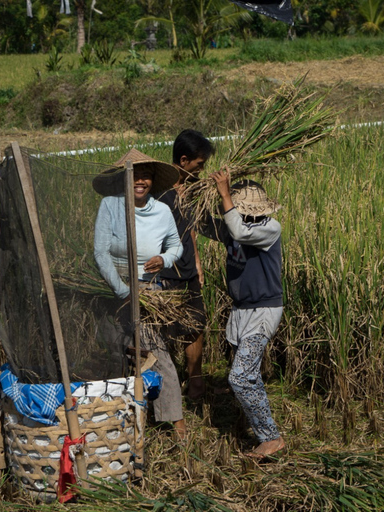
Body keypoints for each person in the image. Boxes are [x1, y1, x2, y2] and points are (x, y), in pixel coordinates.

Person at [93, 147, 187, 438]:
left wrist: (165, 259)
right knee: (118, 353)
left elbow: (176, 245)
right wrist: (122, 291)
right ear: (124, 179)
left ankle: (176, 423)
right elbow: (100, 252)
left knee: (156, 354)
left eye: (146, 176)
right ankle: (119, 421)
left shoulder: (161, 211)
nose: (141, 181)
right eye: (135, 175)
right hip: (115, 289)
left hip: (149, 290)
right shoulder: (111, 205)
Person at [204, 169, 285, 458]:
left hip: (264, 310)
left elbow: (239, 231)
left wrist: (224, 193)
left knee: (239, 376)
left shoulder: (270, 228)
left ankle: (270, 438)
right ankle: (254, 419)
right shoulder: (232, 226)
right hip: (240, 311)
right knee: (248, 375)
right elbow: (204, 225)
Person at [156, 129, 215, 401]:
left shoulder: (191, 190)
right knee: (163, 329)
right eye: (199, 165)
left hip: (188, 269)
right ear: (183, 160)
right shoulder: (158, 192)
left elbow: (190, 227)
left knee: (195, 325)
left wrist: (198, 262)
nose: (201, 171)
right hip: (164, 272)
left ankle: (196, 382)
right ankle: (166, 388)